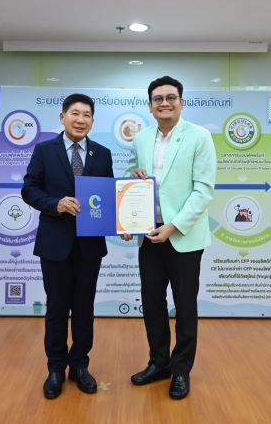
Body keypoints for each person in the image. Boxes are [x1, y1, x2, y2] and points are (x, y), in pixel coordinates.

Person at [123, 76, 216, 399]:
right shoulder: (141, 139)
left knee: (185, 306)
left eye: (171, 97)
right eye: (158, 99)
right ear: (150, 106)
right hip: (149, 235)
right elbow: (133, 179)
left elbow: (203, 191)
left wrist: (173, 226)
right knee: (152, 303)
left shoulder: (200, 137)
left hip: (183, 236)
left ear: (181, 102)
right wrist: (129, 213)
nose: (164, 103)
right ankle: (159, 363)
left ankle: (181, 370)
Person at [21, 93, 114, 399]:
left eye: (87, 115)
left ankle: (80, 365)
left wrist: (124, 221)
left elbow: (109, 197)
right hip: (55, 243)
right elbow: (29, 189)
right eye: (75, 113)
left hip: (90, 245)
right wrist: (56, 204)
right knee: (57, 309)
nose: (80, 119)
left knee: (85, 309)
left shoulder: (102, 154)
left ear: (92, 121)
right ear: (62, 117)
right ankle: (56, 368)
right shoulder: (44, 150)